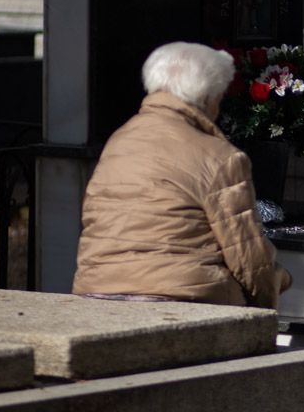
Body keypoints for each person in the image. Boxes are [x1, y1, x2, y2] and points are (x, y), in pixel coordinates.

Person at [73, 42, 291, 307]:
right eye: (220, 98)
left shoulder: (119, 141)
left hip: (97, 290)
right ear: (208, 98)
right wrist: (275, 288)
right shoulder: (220, 157)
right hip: (184, 298)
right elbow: (248, 258)